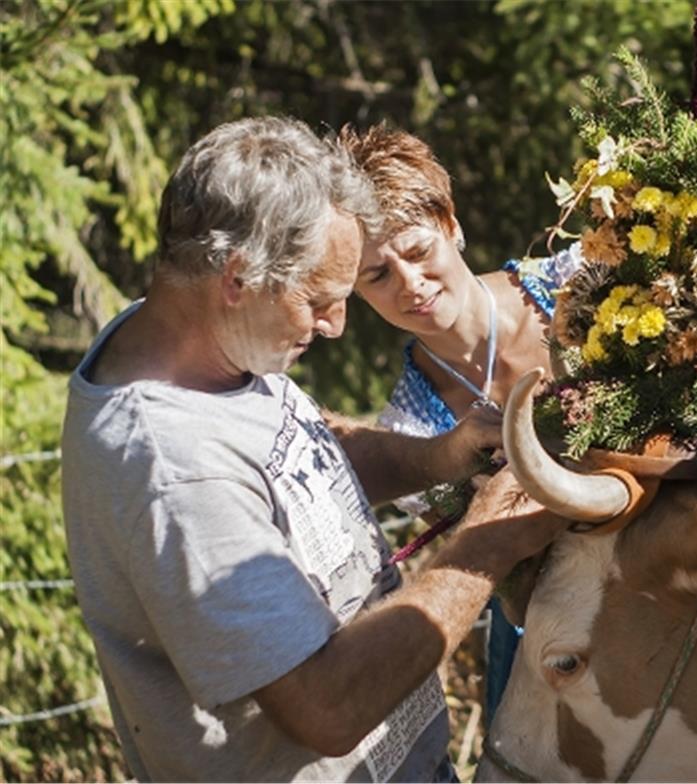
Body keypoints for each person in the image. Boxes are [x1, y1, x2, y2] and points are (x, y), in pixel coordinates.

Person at [60, 116, 566, 782]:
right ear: (237, 278)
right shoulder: (174, 471)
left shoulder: (190, 337)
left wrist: (441, 456)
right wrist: (489, 541)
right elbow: (325, 709)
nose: (335, 325)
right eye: (321, 300)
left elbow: (294, 458)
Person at [334, 123, 582, 723]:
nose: (410, 286)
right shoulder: (414, 430)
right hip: (552, 619)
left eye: (418, 252)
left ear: (452, 226)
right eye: (377, 276)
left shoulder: (576, 282)